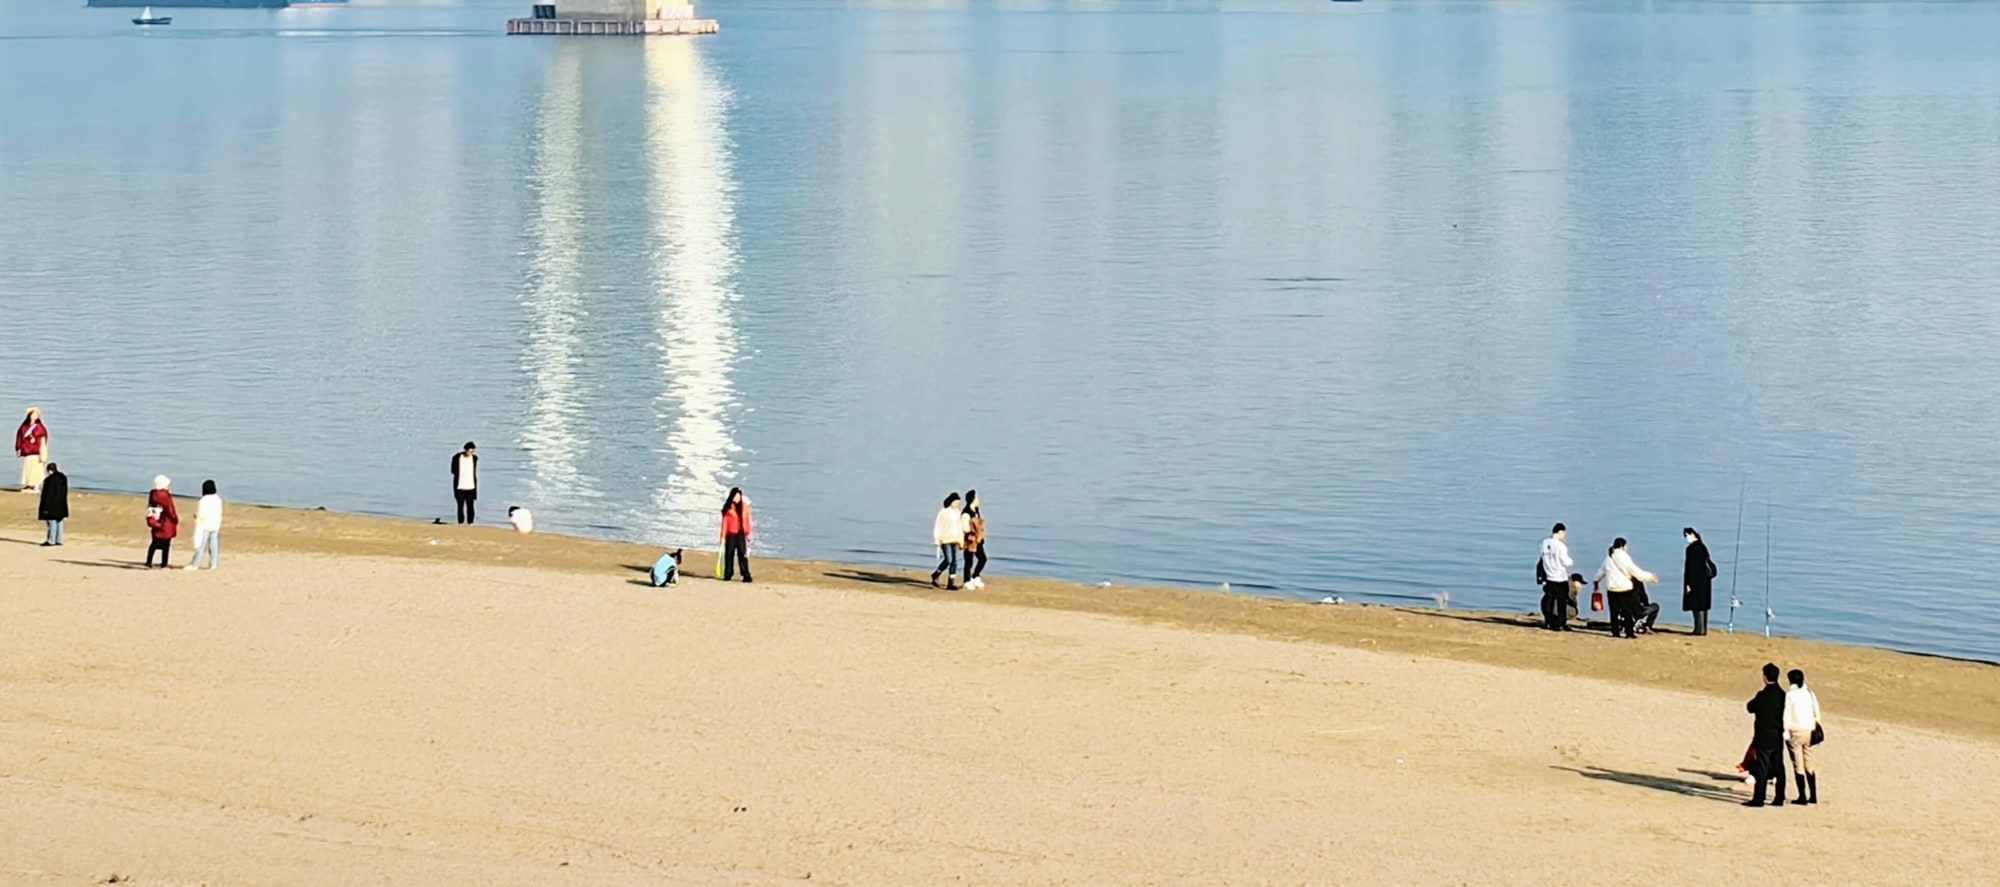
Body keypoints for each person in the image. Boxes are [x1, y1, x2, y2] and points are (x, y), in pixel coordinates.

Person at [1593, 538, 1658, 639]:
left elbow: (1601, 572)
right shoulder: (1624, 557)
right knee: (1627, 611)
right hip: (1624, 588)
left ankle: (1615, 632)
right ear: (1623, 546)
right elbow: (1634, 570)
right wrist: (1649, 577)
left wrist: (1596, 581)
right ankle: (1629, 632)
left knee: (1614, 611)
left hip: (1611, 588)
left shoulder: (1609, 558)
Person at [1745, 662, 1789, 807]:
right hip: (1777, 734)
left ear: (1764, 677)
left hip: (1764, 735)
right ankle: (1780, 797)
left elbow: (1750, 707)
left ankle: (1759, 798)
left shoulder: (1763, 695)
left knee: (1762, 766)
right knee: (1778, 765)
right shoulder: (1783, 695)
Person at [1785, 669, 1822, 805]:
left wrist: (1785, 731)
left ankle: (1802, 796)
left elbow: (1787, 715)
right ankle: (1813, 795)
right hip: (1809, 731)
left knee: (1798, 765)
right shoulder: (1809, 693)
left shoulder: (1790, 695)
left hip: (1795, 731)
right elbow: (1817, 713)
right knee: (1809, 763)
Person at [1538, 523, 1574, 631]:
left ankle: (1548, 621)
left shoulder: (1545, 543)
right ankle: (1561, 622)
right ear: (1560, 532)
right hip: (1559, 577)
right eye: (1564, 534)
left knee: (1550, 600)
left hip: (1549, 575)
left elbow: (1543, 558)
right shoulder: (1560, 546)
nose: (1564, 536)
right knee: (1561, 602)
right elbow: (1565, 561)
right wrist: (1571, 561)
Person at [1683, 527, 1717, 636]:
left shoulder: (1691, 549)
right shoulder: (1703, 548)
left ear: (1693, 535)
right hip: (1705, 581)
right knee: (1702, 606)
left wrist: (1688, 584)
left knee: (1696, 606)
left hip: (1695, 581)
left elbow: (1691, 568)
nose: (1686, 538)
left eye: (1687, 535)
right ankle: (1702, 629)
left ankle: (1699, 629)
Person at [930, 493, 964, 590]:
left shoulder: (958, 512)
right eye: (956, 501)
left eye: (959, 502)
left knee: (954, 561)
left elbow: (960, 527)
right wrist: (936, 539)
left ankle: (951, 582)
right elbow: (938, 525)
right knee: (948, 560)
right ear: (951, 501)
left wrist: (961, 541)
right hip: (945, 539)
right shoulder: (943, 512)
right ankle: (936, 574)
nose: (958, 503)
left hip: (955, 539)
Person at [187, 480, 223, 570]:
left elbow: (201, 513)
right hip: (215, 523)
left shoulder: (203, 500)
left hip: (205, 525)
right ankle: (213, 563)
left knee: (201, 545)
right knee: (213, 545)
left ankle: (196, 564)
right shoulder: (218, 499)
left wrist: (196, 517)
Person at [145, 475, 179, 569]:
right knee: (166, 545)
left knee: (154, 543)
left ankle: (149, 561)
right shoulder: (165, 496)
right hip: (166, 522)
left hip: (156, 521)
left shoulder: (153, 494)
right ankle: (164, 564)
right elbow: (170, 510)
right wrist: (175, 519)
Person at [719, 487, 752, 583]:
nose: (736, 498)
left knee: (743, 554)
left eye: (738, 496)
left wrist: (749, 533)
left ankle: (746, 574)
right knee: (729, 555)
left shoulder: (745, 507)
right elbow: (724, 523)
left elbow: (747, 521)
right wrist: (723, 537)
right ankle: (728, 574)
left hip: (741, 534)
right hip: (731, 535)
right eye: (735, 496)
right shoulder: (728, 508)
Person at [15, 407, 49, 493]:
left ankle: (36, 485)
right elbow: (19, 437)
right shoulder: (24, 427)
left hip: (36, 451)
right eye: (33, 414)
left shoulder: (40, 427)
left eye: (36, 414)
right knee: (27, 468)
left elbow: (43, 439)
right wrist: (18, 448)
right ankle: (27, 485)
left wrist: (43, 451)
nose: (34, 416)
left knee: (36, 469)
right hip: (27, 451)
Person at [961, 490, 988, 590]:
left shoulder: (976, 510)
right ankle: (966, 580)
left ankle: (975, 576)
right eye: (976, 498)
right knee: (969, 561)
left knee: (982, 559)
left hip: (978, 540)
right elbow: (965, 528)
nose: (978, 500)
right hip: (969, 540)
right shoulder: (966, 512)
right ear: (972, 499)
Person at [38, 462, 69, 546]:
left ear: (49, 470)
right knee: (59, 521)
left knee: (51, 521)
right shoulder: (63, 478)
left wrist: (45, 507)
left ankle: (51, 540)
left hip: (51, 504)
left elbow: (48, 494)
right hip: (61, 503)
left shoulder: (49, 480)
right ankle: (59, 539)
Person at [450, 442, 479, 525]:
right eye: (470, 451)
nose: (471, 453)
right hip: (460, 485)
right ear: (466, 450)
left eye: (473, 451)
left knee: (471, 505)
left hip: (471, 486)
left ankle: (471, 522)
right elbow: (453, 470)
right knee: (460, 505)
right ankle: (460, 522)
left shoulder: (474, 458)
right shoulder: (457, 457)